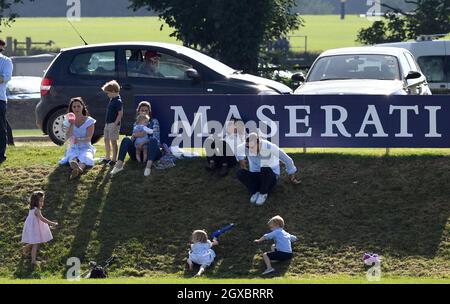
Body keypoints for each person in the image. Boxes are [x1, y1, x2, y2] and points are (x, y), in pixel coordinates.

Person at [236, 132, 300, 206]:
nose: (251, 150)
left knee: (264, 168)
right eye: (248, 147)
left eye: (253, 147)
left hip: (270, 175)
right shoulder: (244, 147)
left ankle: (263, 193)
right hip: (256, 174)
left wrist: (291, 175)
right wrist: (242, 163)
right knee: (240, 172)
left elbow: (287, 160)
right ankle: (255, 191)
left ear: (259, 143)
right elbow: (239, 152)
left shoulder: (269, 146)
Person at [110, 101, 161, 177]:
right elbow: (133, 139)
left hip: (151, 152)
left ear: (149, 112)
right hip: (137, 151)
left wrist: (143, 143)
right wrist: (134, 136)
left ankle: (148, 166)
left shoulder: (154, 121)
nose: (144, 112)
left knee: (153, 140)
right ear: (138, 111)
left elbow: (156, 139)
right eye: (142, 110)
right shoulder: (136, 123)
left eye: (146, 110)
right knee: (126, 139)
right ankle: (119, 165)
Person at [59, 97, 96, 179]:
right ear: (71, 108)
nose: (76, 108)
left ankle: (79, 169)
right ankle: (75, 166)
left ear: (83, 107)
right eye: (74, 107)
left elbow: (89, 138)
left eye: (78, 106)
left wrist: (79, 140)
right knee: (73, 156)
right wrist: (71, 124)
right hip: (73, 146)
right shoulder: (68, 121)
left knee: (85, 157)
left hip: (85, 146)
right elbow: (67, 136)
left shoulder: (89, 121)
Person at [21, 191, 58, 266]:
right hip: (34, 228)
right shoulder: (36, 210)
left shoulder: (32, 209)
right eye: (40, 201)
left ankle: (25, 249)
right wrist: (52, 223)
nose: (42, 203)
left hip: (32, 228)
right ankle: (33, 261)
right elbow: (42, 219)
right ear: (35, 201)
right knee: (35, 244)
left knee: (34, 242)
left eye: (42, 201)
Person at [101, 80, 123, 166]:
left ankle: (114, 159)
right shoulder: (112, 99)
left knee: (113, 141)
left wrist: (115, 124)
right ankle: (107, 157)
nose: (107, 95)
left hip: (113, 124)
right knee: (106, 139)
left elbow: (120, 114)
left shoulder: (118, 101)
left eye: (108, 93)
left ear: (113, 91)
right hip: (107, 123)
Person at [0, 39, 13, 164]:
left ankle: (0, 155)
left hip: (0, 99)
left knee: (0, 128)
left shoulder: (6, 61)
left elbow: (5, 78)